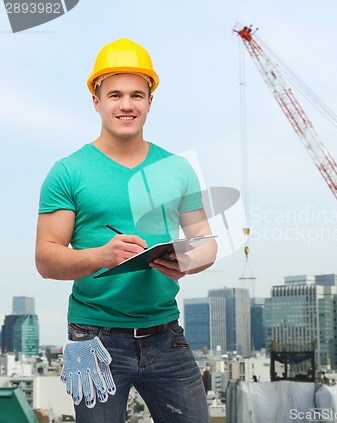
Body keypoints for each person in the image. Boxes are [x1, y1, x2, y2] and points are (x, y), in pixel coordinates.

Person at [35, 38, 217, 422]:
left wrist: (188, 259)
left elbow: (207, 242)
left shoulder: (178, 169)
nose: (126, 104)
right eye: (114, 94)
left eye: (137, 94)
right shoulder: (68, 172)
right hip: (93, 338)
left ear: (150, 101)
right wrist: (102, 256)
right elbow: (46, 258)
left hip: (166, 333)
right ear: (96, 100)